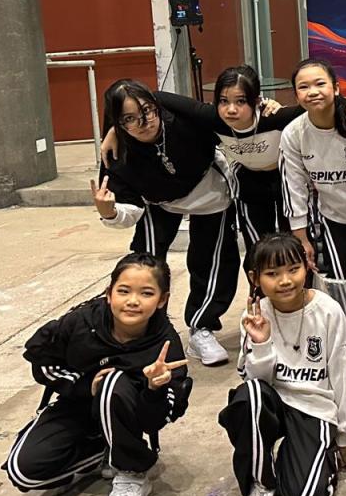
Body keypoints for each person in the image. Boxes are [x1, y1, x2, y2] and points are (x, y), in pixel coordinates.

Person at [99, 65, 346, 254]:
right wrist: (115, 128)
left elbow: (318, 104)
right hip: (249, 184)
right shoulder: (213, 119)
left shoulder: (274, 118)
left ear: (256, 100)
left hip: (284, 180)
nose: (231, 109)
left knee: (295, 243)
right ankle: (261, 299)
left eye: (241, 101)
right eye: (223, 101)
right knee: (258, 248)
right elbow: (155, 98)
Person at [3, 253, 192, 496]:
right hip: (78, 406)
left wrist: (155, 388)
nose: (133, 301)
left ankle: (131, 472)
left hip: (129, 416)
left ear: (162, 300)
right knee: (24, 472)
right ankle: (103, 450)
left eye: (146, 293)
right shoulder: (82, 322)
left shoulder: (165, 344)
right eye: (123, 291)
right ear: (109, 293)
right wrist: (82, 385)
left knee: (112, 382)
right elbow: (42, 363)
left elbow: (160, 418)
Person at [218, 233, 346, 496]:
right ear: (255, 278)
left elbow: (345, 376)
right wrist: (261, 343)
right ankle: (262, 484)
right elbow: (252, 380)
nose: (284, 281)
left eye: (293, 269)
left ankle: (298, 456)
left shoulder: (328, 311)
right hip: (272, 404)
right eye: (272, 274)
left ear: (307, 267)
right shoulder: (255, 315)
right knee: (249, 396)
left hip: (314, 409)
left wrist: (344, 435)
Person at [91, 79, 238, 366]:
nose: (144, 122)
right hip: (156, 202)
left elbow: (221, 118)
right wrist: (109, 212)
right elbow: (129, 208)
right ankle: (146, 329)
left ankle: (202, 326)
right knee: (144, 263)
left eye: (147, 110)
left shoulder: (182, 119)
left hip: (209, 191)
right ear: (118, 123)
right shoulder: (118, 152)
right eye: (129, 119)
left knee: (212, 260)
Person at [279, 58, 346, 344]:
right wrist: (301, 237)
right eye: (303, 87)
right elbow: (293, 187)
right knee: (342, 281)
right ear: (296, 95)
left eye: (320, 84)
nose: (312, 92)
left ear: (336, 88)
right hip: (334, 219)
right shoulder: (293, 134)